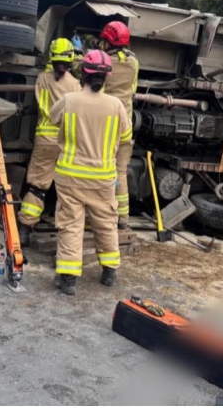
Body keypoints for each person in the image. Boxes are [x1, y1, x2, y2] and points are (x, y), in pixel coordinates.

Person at [49, 49, 131, 296]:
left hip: (70, 177)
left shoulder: (69, 100)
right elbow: (126, 137)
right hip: (103, 179)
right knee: (106, 224)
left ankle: (69, 279)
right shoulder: (116, 105)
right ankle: (109, 272)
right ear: (106, 77)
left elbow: (53, 119)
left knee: (71, 225)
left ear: (83, 73)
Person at [75, 21, 140, 244]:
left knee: (93, 169)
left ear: (107, 41)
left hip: (105, 126)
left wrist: (81, 52)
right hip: (125, 126)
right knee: (119, 172)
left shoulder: (104, 63)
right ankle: (122, 218)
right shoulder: (133, 63)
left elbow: (81, 69)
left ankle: (90, 217)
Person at [17, 38, 82, 246]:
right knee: (68, 189)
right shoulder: (75, 85)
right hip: (66, 141)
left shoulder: (42, 78)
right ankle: (65, 233)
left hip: (44, 139)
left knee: (37, 185)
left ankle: (25, 230)